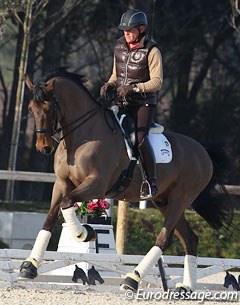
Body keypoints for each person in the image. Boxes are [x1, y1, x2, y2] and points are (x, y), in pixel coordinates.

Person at [100, 9, 163, 200]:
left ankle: (150, 182)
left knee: (138, 138)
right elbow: (115, 75)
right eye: (124, 30)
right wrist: (108, 84)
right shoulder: (118, 47)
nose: (126, 33)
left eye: (129, 30)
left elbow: (157, 82)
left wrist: (134, 88)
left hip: (143, 104)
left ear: (141, 29)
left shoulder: (152, 50)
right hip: (121, 102)